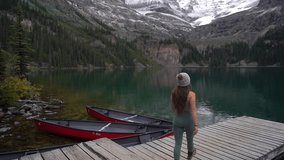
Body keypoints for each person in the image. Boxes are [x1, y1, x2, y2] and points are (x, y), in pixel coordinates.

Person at [171, 72, 198, 160]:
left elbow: (173, 108)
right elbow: (193, 110)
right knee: (190, 140)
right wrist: (196, 125)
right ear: (188, 82)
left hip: (177, 121)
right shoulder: (191, 94)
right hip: (188, 122)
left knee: (177, 144)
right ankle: (189, 157)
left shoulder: (174, 93)